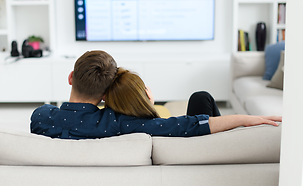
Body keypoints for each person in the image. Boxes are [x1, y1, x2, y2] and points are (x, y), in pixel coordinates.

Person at [30, 50, 281, 139]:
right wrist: (247, 119)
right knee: (201, 98)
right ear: (107, 94)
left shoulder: (41, 117)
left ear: (71, 77)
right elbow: (193, 125)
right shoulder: (122, 122)